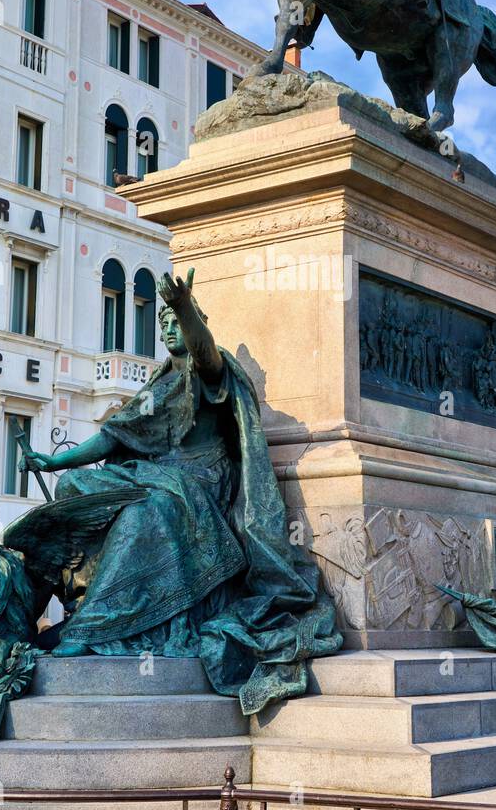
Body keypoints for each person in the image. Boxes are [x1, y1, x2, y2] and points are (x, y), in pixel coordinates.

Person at [18, 270, 341, 714]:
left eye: (177, 320)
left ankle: (99, 625)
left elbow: (205, 353)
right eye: (165, 321)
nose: (169, 326)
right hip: (161, 475)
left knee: (144, 514)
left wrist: (186, 308)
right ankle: (75, 605)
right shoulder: (159, 383)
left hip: (201, 483)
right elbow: (116, 435)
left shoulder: (209, 369)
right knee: (75, 487)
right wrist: (55, 462)